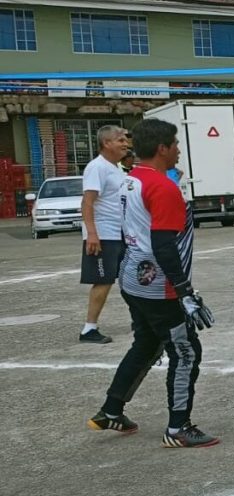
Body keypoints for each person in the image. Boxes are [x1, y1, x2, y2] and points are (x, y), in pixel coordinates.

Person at [87, 118, 218, 448]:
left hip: (133, 277)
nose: (178, 150)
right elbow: (163, 244)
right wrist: (184, 291)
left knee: (146, 343)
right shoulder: (161, 187)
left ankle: (111, 409)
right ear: (162, 148)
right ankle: (178, 427)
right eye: (175, 144)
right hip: (158, 284)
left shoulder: (131, 179)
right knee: (186, 351)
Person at [79, 125, 130, 344]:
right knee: (103, 280)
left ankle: (140, 319)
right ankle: (89, 329)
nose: (125, 144)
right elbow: (87, 202)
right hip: (103, 235)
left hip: (120, 233)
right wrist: (92, 234)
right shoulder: (97, 167)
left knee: (130, 278)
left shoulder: (116, 168)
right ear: (106, 143)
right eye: (120, 140)